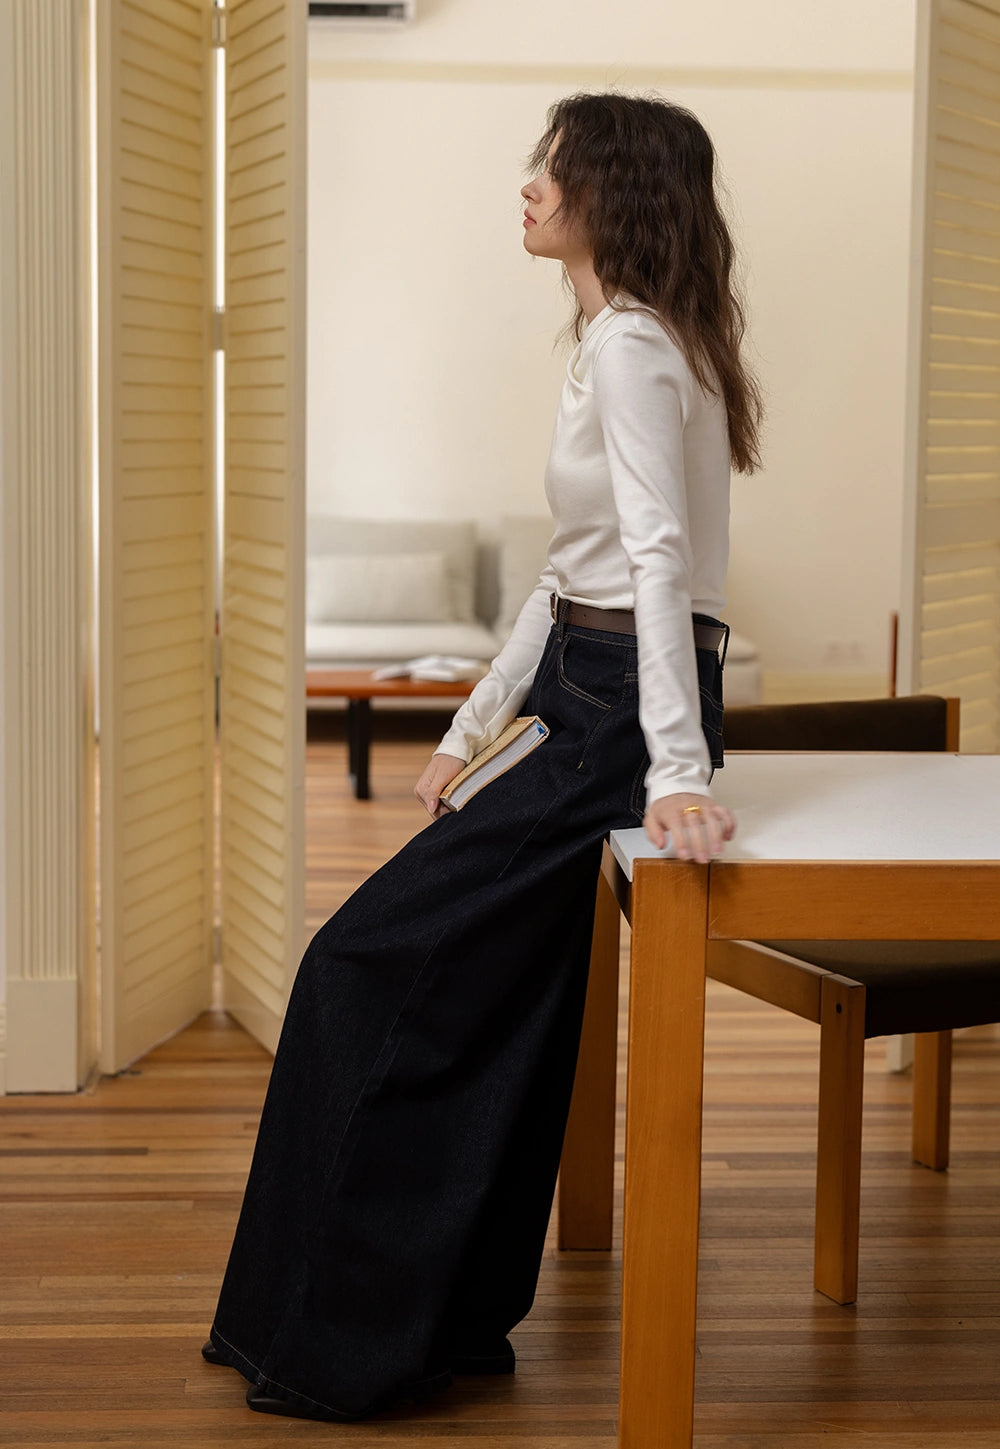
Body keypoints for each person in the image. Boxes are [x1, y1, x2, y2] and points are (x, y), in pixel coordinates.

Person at [201, 90, 762, 1423]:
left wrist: (679, 771)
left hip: (619, 710)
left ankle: (344, 1339)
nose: (529, 187)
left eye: (551, 170)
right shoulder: (621, 340)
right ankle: (440, 1320)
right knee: (505, 1001)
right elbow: (569, 580)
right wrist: (469, 730)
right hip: (586, 690)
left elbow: (660, 567)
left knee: (353, 968)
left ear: (612, 192)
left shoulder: (635, 346)